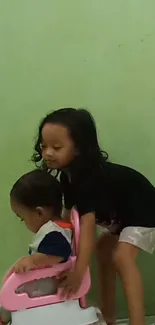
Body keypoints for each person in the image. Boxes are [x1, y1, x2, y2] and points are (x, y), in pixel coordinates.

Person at [32, 107, 155, 325]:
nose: (48, 153)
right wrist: (57, 250)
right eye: (44, 147)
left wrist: (79, 270)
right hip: (122, 219)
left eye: (57, 147)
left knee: (122, 257)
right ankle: (109, 316)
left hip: (145, 210)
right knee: (103, 251)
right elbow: (68, 220)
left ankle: (138, 322)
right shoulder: (68, 177)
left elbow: (87, 226)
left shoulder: (87, 179)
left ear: (79, 149)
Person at [0, 169, 73, 325]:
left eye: (22, 218)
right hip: (43, 280)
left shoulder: (54, 232)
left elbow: (61, 253)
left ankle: (4, 317)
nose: (24, 223)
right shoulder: (54, 229)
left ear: (39, 213)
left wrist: (33, 261)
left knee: (14, 293)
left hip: (47, 284)